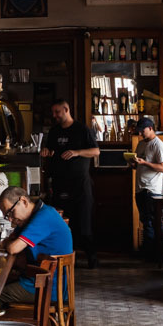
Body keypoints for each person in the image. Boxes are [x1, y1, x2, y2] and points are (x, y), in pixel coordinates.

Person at [41, 99, 100, 268]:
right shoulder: (54, 131)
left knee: (84, 225)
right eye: (53, 112)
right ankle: (62, 260)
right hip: (60, 183)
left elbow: (96, 151)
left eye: (57, 112)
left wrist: (77, 152)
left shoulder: (82, 130)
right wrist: (46, 152)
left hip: (80, 185)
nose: (54, 116)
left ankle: (92, 259)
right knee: (60, 224)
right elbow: (50, 150)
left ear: (66, 109)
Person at [0, 186, 73, 308]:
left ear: (24, 201)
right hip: (39, 279)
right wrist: (8, 243)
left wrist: (8, 244)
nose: (10, 220)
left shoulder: (44, 217)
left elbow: (13, 248)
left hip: (49, 287)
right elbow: (9, 241)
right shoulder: (31, 217)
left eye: (11, 212)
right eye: (7, 216)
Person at [129, 117, 163, 260]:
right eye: (139, 131)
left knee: (152, 222)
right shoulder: (140, 145)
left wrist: (144, 162)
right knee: (146, 221)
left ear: (150, 128)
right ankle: (150, 252)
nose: (141, 134)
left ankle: (154, 254)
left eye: (142, 131)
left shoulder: (159, 145)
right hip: (140, 188)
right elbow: (139, 165)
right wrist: (133, 164)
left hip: (152, 189)